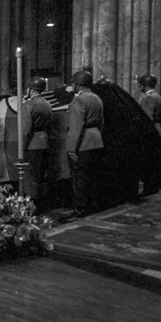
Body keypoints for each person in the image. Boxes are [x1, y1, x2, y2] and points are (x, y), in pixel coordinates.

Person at [66, 70, 104, 218]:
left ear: (78, 84)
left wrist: (71, 149)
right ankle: (91, 207)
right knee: (92, 177)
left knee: (79, 178)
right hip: (96, 139)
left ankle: (79, 210)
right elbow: (101, 122)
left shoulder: (79, 100)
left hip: (82, 143)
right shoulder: (97, 98)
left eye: (73, 83)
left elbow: (76, 125)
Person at [20, 77, 52, 209]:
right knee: (42, 174)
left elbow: (26, 128)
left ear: (31, 90)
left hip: (33, 142)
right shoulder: (47, 103)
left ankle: (33, 204)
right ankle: (43, 202)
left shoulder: (29, 104)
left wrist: (22, 147)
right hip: (44, 140)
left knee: (31, 174)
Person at [137, 74, 161, 141]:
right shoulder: (157, 96)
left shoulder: (149, 98)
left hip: (149, 132)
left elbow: (146, 117)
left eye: (140, 85)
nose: (139, 86)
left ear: (146, 86)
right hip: (158, 129)